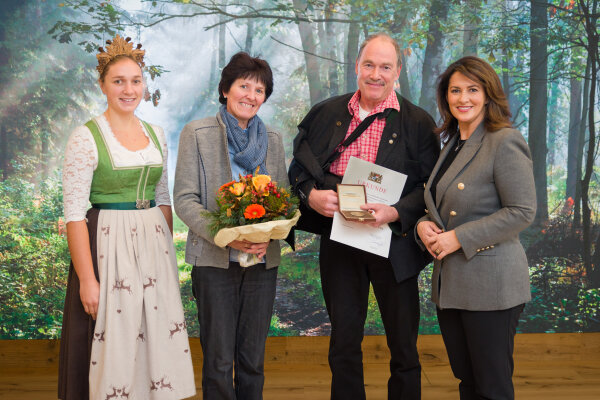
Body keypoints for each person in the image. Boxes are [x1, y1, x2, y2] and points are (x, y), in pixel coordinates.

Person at [289, 33, 439, 399]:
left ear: (397, 72)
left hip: (395, 244)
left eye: (385, 67)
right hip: (340, 240)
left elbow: (431, 187)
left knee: (403, 344)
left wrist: (396, 211)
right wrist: (311, 196)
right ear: (357, 67)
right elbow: (298, 168)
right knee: (343, 342)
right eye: (369, 65)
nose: (376, 74)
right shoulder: (326, 112)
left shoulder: (419, 123)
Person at [58, 35, 196, 400]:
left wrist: (168, 261)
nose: (128, 89)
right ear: (102, 85)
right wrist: (88, 280)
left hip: (153, 249)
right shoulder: (85, 138)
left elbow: (163, 199)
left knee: (155, 336)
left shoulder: (156, 134)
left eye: (135, 81)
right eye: (118, 81)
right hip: (108, 246)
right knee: (116, 339)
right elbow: (74, 214)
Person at [416, 56, 536, 400]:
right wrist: (425, 226)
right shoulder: (452, 143)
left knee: (492, 388)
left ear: (488, 95)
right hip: (452, 284)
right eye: (455, 90)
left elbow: (522, 211)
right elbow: (441, 208)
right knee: (468, 384)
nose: (462, 98)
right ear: (446, 96)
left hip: (492, 286)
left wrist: (458, 238)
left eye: (472, 89)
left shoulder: (503, 140)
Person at [173, 52, 288, 400]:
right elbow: (184, 200)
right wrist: (228, 237)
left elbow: (282, 201)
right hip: (214, 262)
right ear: (226, 89)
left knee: (253, 360)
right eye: (244, 86)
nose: (251, 95)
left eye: (259, 89)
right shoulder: (198, 133)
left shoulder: (274, 138)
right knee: (219, 361)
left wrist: (264, 235)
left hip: (261, 263)